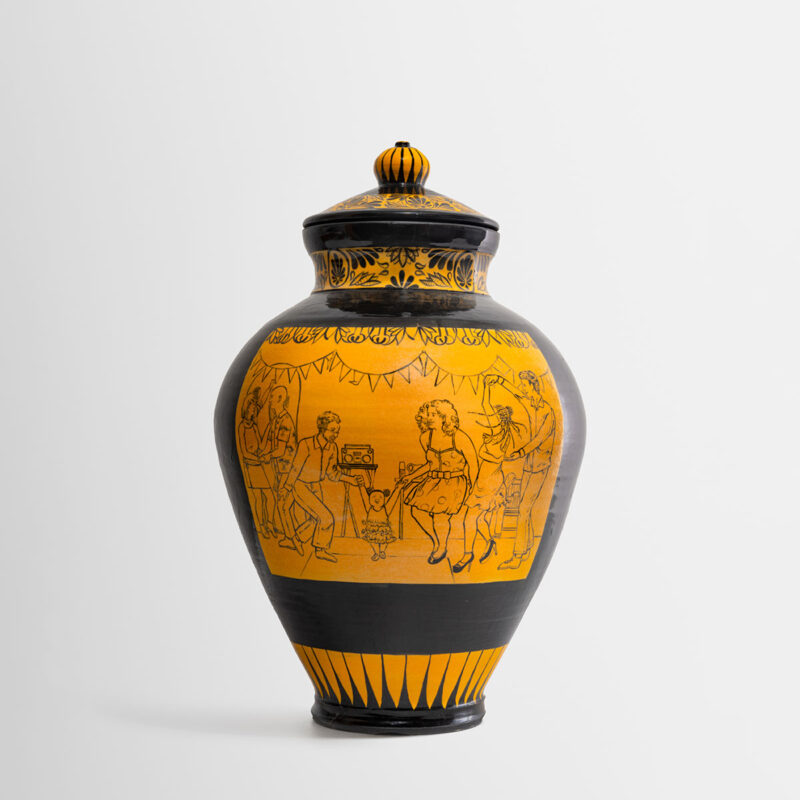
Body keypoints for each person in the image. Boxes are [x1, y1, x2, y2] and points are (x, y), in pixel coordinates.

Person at [453, 375, 527, 573]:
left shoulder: (499, 434)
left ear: (499, 418)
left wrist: (486, 388)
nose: (490, 414)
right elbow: (486, 405)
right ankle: (490, 541)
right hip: (488, 478)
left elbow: (485, 405)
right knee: (478, 518)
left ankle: (467, 554)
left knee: (469, 518)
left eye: (495, 414)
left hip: (489, 480)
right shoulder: (501, 434)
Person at [279, 411, 363, 563]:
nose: (335, 435)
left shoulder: (332, 447)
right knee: (326, 518)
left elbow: (332, 473)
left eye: (337, 431)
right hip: (301, 484)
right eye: (332, 430)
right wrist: (287, 487)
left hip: (316, 486)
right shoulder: (306, 444)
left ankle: (295, 539)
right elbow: (296, 468)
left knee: (315, 519)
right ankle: (321, 549)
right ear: (322, 428)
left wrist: (351, 480)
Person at [401, 400, 478, 565]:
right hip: (433, 481)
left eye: (434, 415)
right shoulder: (425, 438)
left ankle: (441, 548)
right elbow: (430, 464)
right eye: (428, 414)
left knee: (439, 517)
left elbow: (473, 464)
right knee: (417, 512)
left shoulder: (459, 437)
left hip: (455, 482)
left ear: (444, 417)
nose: (429, 418)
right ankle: (437, 541)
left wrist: (473, 488)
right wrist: (411, 476)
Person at [498, 371, 556, 570]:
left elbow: (540, 438)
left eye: (524, 385)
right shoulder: (531, 404)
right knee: (526, 509)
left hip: (540, 466)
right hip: (529, 465)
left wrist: (520, 452)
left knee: (523, 509)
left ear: (533, 386)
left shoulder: (547, 410)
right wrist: (500, 380)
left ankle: (518, 556)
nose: (522, 389)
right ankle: (528, 546)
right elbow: (516, 393)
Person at [259, 384, 297, 545]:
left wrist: (267, 456)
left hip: (288, 469)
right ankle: (288, 533)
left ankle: (291, 538)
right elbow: (269, 443)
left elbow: (280, 450)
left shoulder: (285, 421)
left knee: (282, 503)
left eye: (273, 398)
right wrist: (263, 452)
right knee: (283, 503)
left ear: (280, 399)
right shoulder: (276, 421)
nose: (270, 401)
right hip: (278, 468)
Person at [237, 389, 271, 536]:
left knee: (266, 496)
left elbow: (260, 446)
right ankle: (261, 526)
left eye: (254, 410)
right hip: (251, 466)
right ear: (246, 409)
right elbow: (244, 452)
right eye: (252, 410)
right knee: (257, 498)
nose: (253, 412)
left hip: (258, 464)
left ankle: (266, 523)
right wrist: (257, 458)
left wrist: (268, 430)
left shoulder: (254, 426)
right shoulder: (242, 427)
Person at [359, 484, 403, 561]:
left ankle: (382, 551)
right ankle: (376, 553)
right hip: (372, 529)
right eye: (373, 497)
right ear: (369, 499)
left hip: (383, 529)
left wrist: (398, 488)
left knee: (384, 541)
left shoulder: (386, 509)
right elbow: (364, 495)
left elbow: (393, 499)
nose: (377, 499)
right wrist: (361, 485)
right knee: (373, 541)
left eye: (380, 497)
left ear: (384, 500)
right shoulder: (368, 507)